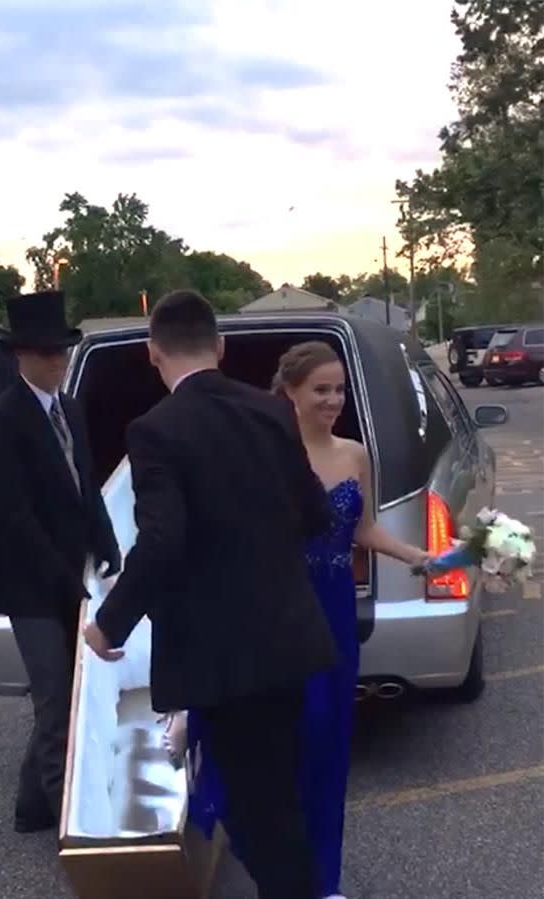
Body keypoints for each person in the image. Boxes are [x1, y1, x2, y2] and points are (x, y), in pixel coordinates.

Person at [84, 290, 337, 899]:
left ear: (153, 353)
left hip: (222, 660)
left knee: (257, 816)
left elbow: (165, 540)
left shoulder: (154, 431)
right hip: (288, 637)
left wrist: (108, 624)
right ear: (220, 347)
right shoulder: (270, 411)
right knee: (276, 801)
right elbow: (314, 514)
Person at [185, 340, 429, 899]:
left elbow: (363, 530)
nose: (333, 400)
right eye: (321, 389)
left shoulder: (354, 455)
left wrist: (417, 556)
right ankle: (278, 868)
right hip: (279, 612)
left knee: (327, 747)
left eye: (339, 389)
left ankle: (323, 881)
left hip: (335, 611)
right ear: (289, 392)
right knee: (279, 747)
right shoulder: (263, 452)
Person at [0, 290, 120, 833]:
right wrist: (63, 579)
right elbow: (14, 518)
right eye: (50, 353)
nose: (61, 360)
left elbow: (87, 487)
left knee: (64, 696)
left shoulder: (70, 409)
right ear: (22, 356)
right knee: (54, 699)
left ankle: (31, 805)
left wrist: (107, 543)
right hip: (31, 586)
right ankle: (65, 819)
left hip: (71, 578)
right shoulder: (3, 419)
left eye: (64, 351)